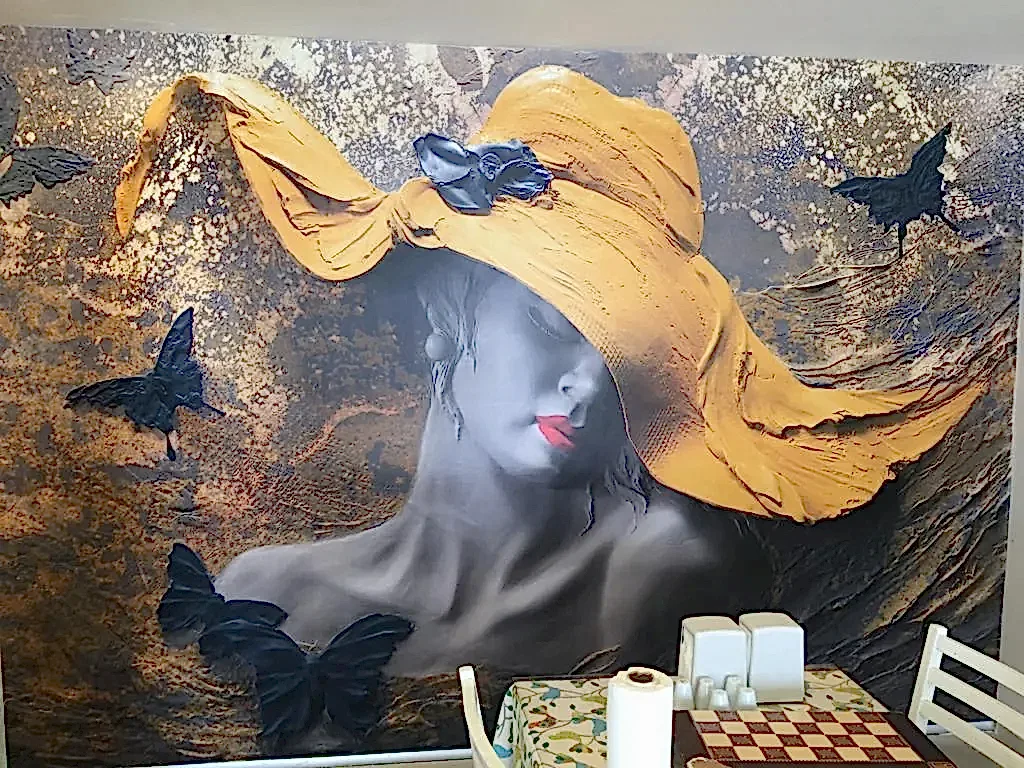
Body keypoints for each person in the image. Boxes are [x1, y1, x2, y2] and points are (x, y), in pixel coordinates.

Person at [126, 65, 982, 676]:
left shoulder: (666, 564)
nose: (587, 380)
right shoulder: (270, 590)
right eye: (549, 320)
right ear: (445, 313)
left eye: (620, 352)